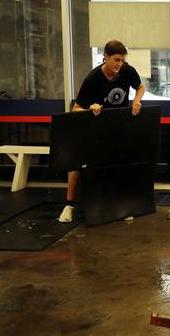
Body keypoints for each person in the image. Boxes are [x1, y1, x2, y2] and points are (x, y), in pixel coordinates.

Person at [58, 40, 145, 222]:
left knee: (119, 165)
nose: (119, 64)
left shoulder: (127, 71)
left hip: (117, 125)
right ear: (105, 57)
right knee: (78, 164)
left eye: (122, 60)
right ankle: (69, 206)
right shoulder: (93, 78)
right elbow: (76, 108)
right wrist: (90, 109)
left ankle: (120, 206)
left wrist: (137, 100)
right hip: (95, 126)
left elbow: (140, 87)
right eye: (116, 60)